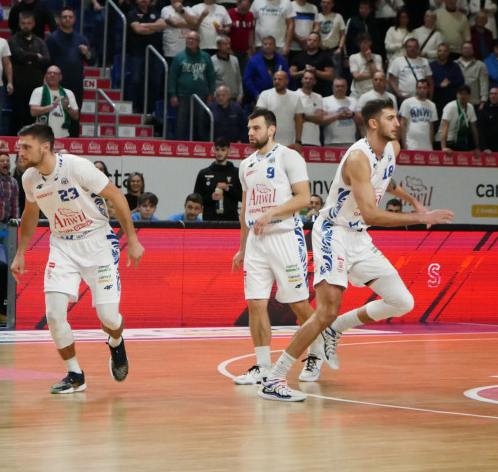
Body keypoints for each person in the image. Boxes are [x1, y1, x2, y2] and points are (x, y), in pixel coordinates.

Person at [259, 100, 454, 401]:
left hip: (358, 236)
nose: (397, 122)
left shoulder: (393, 148)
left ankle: (337, 328)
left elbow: (384, 180)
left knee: (402, 301)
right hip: (332, 231)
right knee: (326, 310)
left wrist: (413, 200)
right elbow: (373, 213)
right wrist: (421, 218)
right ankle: (275, 378)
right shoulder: (357, 158)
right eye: (391, 118)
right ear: (373, 123)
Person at [11, 123, 143, 393]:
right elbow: (30, 214)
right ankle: (74, 374)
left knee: (108, 317)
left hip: (97, 242)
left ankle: (116, 343)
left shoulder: (75, 166)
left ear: (45, 146)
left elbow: (117, 196)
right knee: (54, 314)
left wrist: (133, 239)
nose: (20, 152)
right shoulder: (29, 178)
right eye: (19, 146)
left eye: (26, 146)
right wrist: (20, 253)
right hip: (62, 246)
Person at [231, 107, 322, 384]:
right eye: (249, 128)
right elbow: (245, 211)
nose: (251, 132)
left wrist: (271, 213)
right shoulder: (245, 165)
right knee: (256, 303)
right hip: (257, 243)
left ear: (271, 129)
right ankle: (262, 366)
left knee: (298, 304)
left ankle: (316, 353)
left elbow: (304, 198)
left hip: (284, 237)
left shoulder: (288, 156)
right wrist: (242, 247)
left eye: (256, 127)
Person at [168, 31, 216, 141]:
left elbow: (211, 76)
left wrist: (211, 93)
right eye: (188, 39)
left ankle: (198, 148)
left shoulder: (205, 57)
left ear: (198, 42)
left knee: (199, 124)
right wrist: (173, 94)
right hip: (183, 95)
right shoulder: (179, 57)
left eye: (193, 39)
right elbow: (173, 77)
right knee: (181, 123)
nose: (190, 41)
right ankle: (178, 148)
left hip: (201, 96)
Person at [193, 138, 243, 222]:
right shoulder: (203, 173)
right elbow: (196, 200)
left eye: (223, 150)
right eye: (217, 149)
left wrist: (228, 189)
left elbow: (243, 197)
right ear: (213, 149)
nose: (219, 153)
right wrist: (211, 197)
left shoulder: (237, 173)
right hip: (209, 221)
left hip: (231, 221)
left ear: (229, 151)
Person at [256, 70, 302, 149]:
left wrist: (298, 141)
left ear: (287, 81)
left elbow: (299, 121)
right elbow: (259, 118)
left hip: (289, 143)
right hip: (268, 142)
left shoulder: (295, 97)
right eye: (275, 79)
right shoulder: (265, 95)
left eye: (280, 79)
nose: (277, 81)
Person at [29, 65, 79, 139]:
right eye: (49, 73)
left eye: (55, 73)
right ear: (45, 76)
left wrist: (67, 107)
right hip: (42, 135)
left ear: (60, 77)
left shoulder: (68, 93)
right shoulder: (38, 91)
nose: (52, 75)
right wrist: (52, 106)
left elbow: (76, 116)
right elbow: (33, 111)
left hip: (63, 136)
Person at [398, 79, 437, 151]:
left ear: (428, 89)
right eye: (419, 88)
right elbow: (402, 124)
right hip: (411, 144)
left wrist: (431, 144)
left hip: (427, 146)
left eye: (424, 88)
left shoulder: (432, 105)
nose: (422, 90)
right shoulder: (407, 102)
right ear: (416, 89)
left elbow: (431, 127)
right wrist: (404, 144)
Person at [439, 84, 479, 153]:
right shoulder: (450, 106)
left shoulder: (470, 107)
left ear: (469, 96)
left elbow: (474, 129)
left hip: (462, 141)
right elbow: (444, 126)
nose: (463, 96)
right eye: (460, 93)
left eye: (465, 94)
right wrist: (444, 147)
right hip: (449, 141)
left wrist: (477, 147)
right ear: (457, 95)